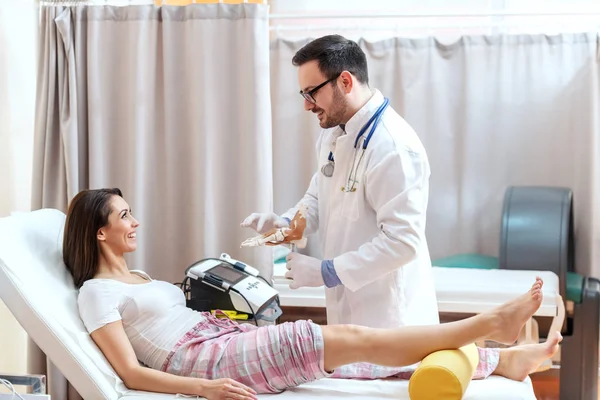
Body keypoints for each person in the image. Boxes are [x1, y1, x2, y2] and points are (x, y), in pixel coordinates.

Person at [66, 188, 561, 400]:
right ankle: (490, 325)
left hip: (219, 339)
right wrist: (206, 388)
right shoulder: (96, 292)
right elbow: (129, 372)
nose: (135, 222)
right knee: (352, 337)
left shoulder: (144, 279)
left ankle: (506, 361)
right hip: (204, 362)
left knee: (358, 359)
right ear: (99, 232)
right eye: (124, 216)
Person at [241, 34, 438, 329]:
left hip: (389, 317)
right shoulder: (334, 134)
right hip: (349, 313)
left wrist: (327, 271)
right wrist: (287, 224)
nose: (307, 106)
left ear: (345, 82)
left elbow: (403, 242)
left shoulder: (393, 147)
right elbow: (319, 197)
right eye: (303, 95)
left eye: (312, 93)